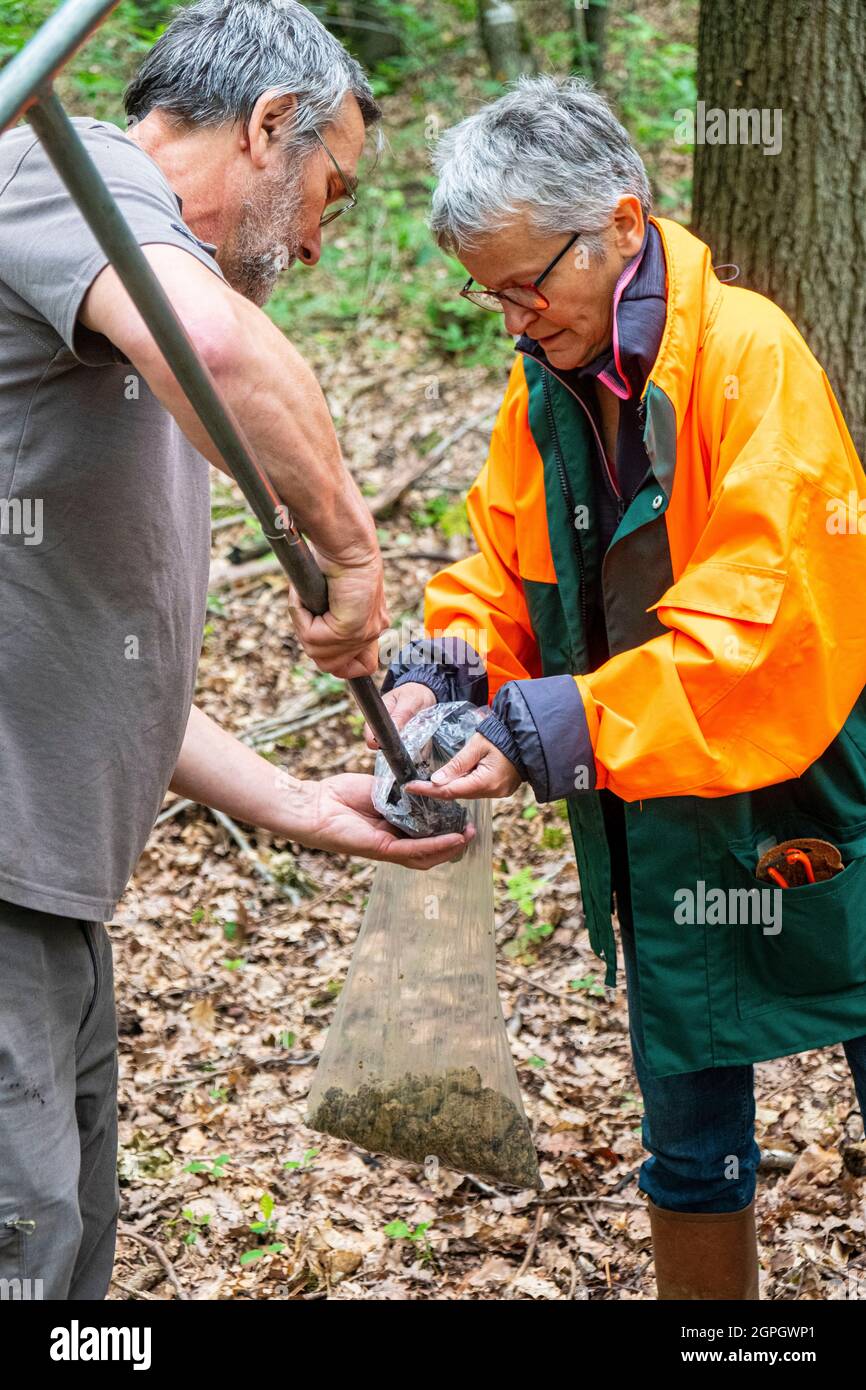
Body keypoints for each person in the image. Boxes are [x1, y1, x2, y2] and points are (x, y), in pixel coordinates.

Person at [352, 75, 866, 1300]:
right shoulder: (542, 385)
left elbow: (765, 617)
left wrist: (552, 729)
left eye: (531, 283)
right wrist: (443, 683)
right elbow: (501, 561)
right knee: (688, 1144)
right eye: (492, 295)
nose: (517, 319)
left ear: (622, 226)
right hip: (653, 802)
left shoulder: (747, 356)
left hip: (806, 784)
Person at [0, 0, 471, 1301]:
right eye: (328, 190)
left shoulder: (117, 325)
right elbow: (219, 343)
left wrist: (305, 807)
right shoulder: (59, 163)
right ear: (269, 125)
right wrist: (356, 556)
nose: (319, 244)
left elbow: (99, 662)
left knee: (66, 1258)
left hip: (48, 895)